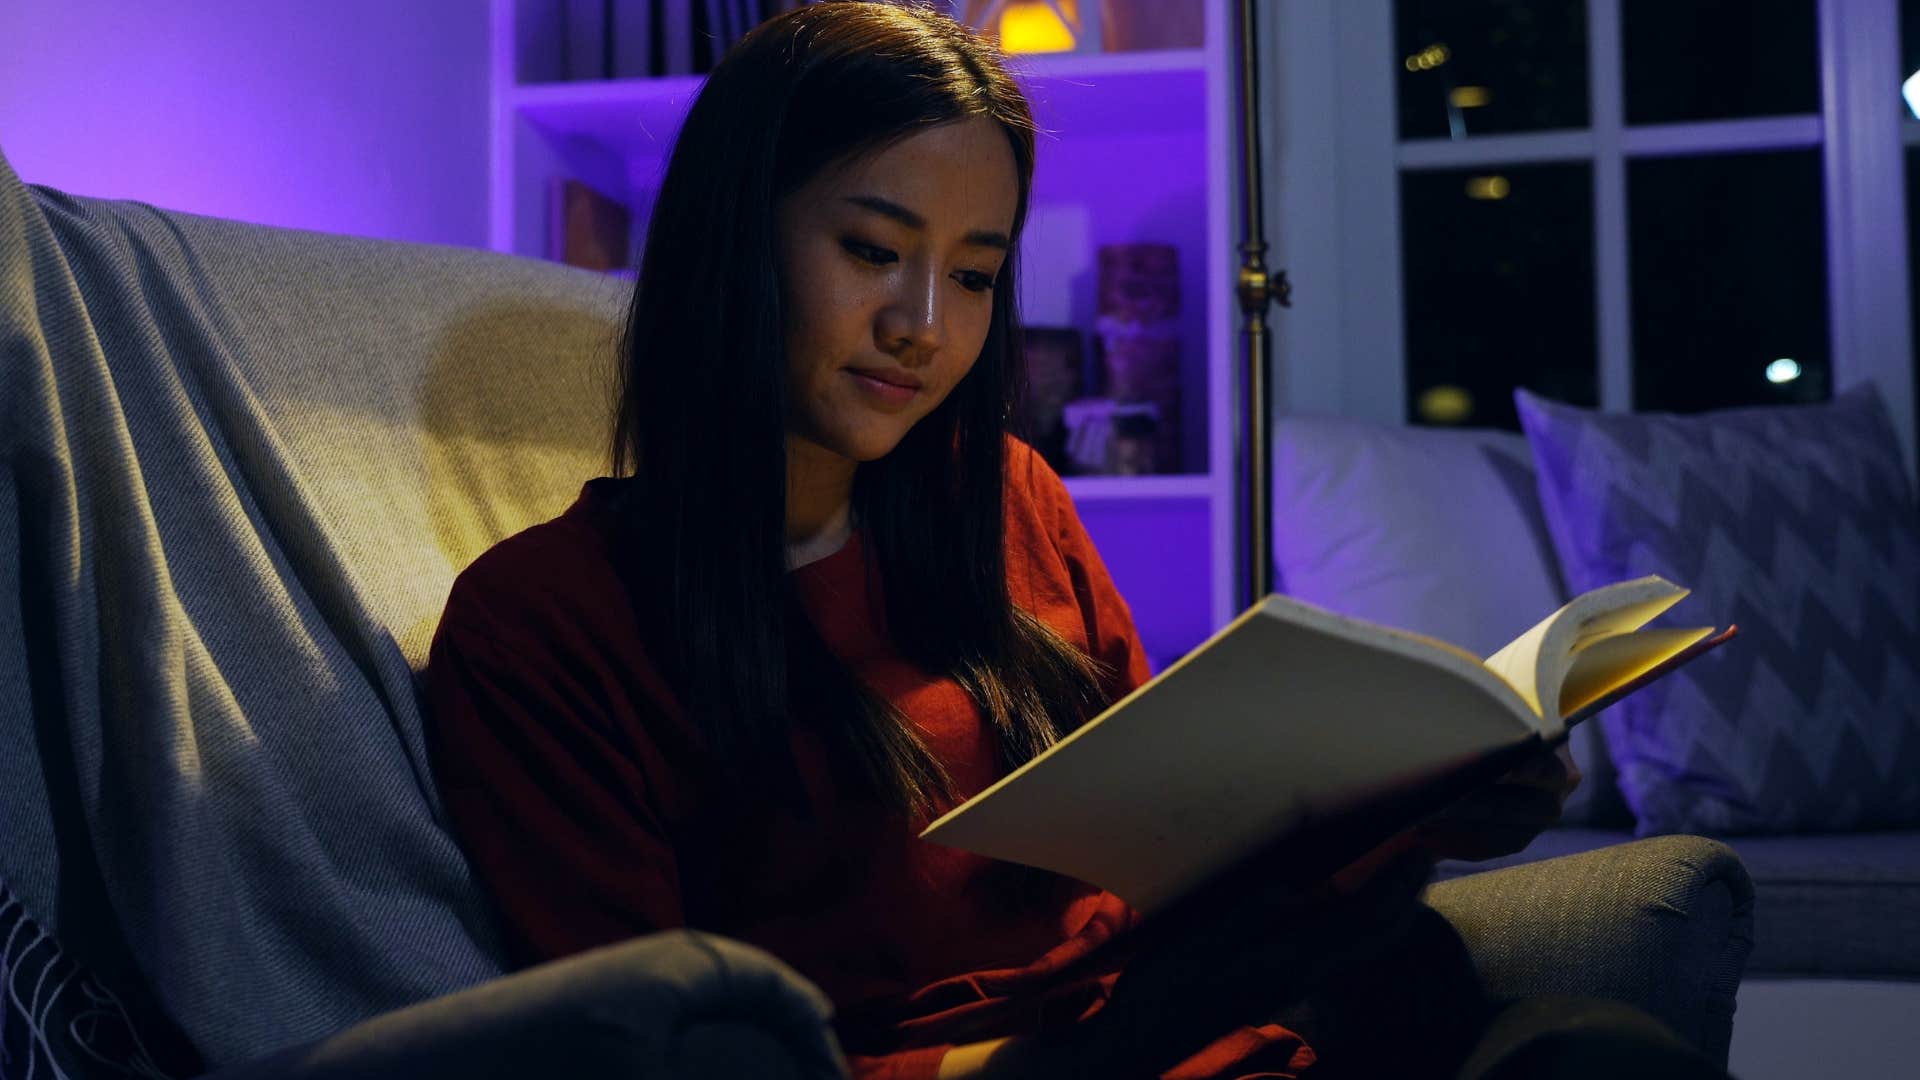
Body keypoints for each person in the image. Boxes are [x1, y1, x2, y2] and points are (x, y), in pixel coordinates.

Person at [424, 4, 1728, 1078]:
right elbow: (646, 1057)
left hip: (1239, 1035)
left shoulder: (1007, 500)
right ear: (732, 238)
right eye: (874, 250)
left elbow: (1185, 854)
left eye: (978, 274)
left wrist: (1428, 812)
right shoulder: (547, 625)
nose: (924, 323)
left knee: (1602, 1051)